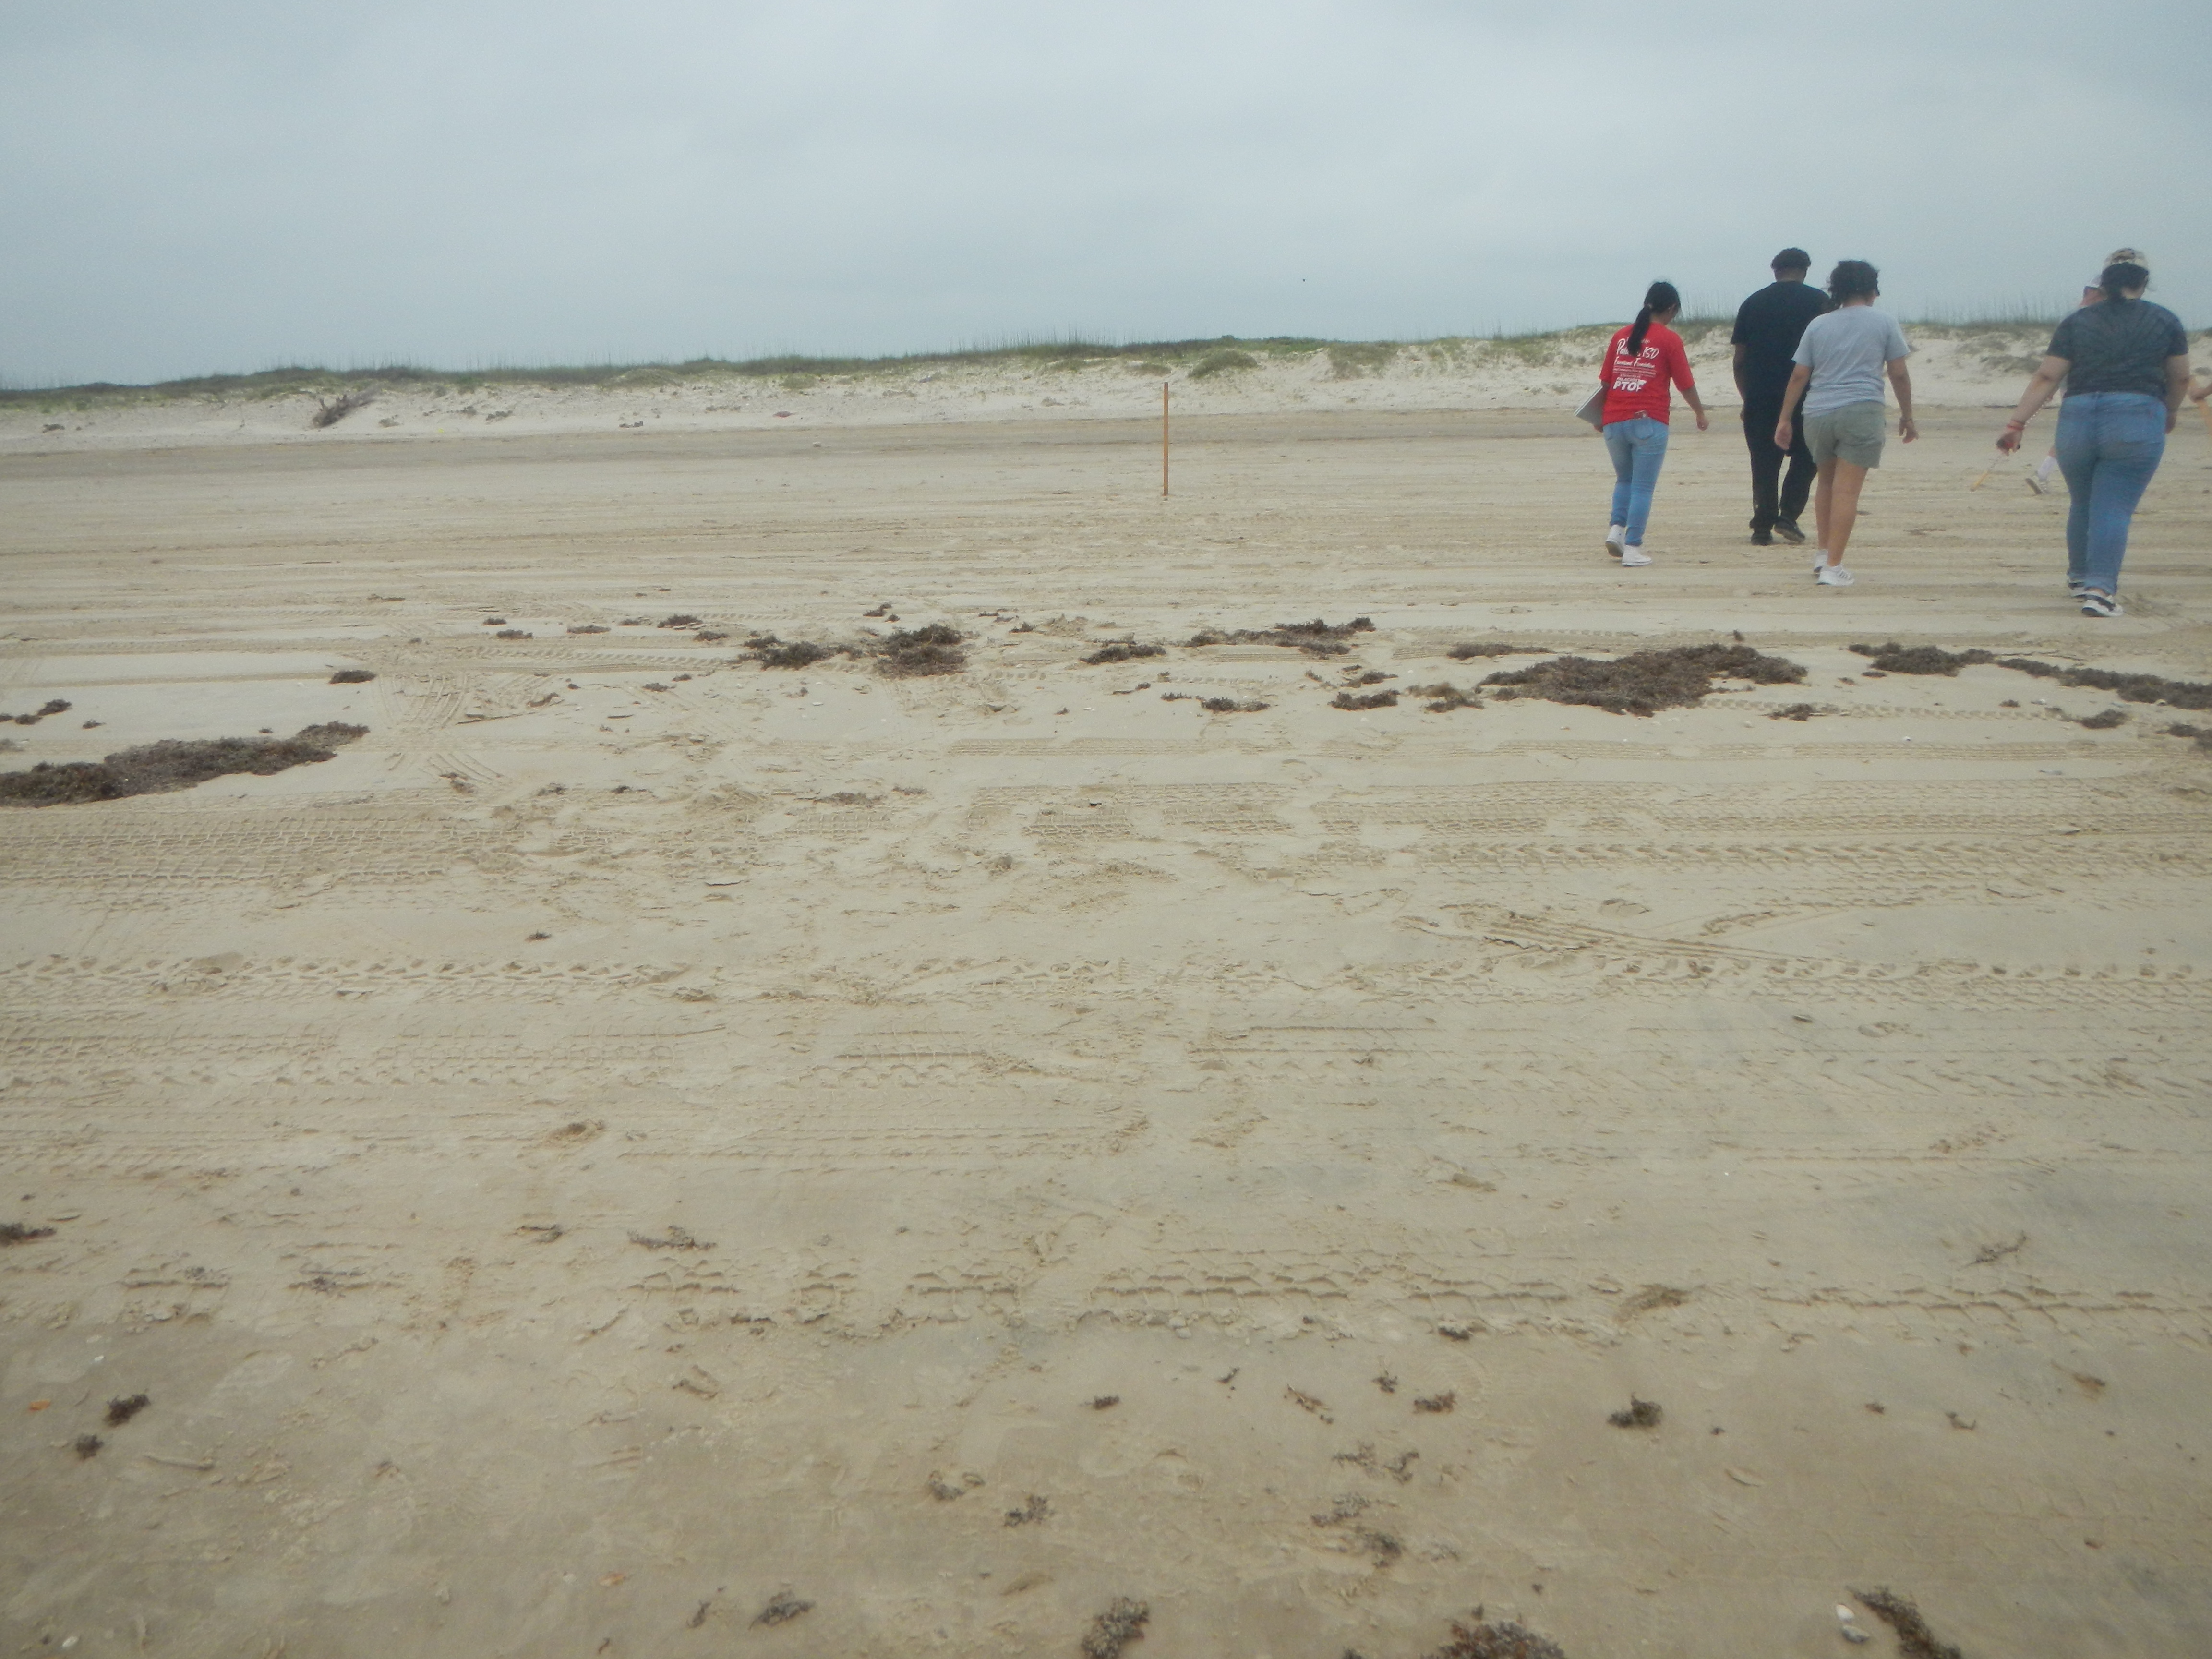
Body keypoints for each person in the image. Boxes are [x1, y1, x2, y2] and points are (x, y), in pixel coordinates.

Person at [1996, 257, 2190, 617]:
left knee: (2084, 502)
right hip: (2135, 416)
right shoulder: (2165, 319)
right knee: (2113, 506)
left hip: (2078, 417)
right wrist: (2171, 410)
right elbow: (2180, 378)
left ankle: (2080, 578)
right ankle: (2100, 592)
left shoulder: (2078, 321)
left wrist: (2017, 422)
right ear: (2144, 284)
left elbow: (2047, 377)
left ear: (2103, 284)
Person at [1773, 260, 1916, 588]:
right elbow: (1898, 373)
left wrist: (1784, 418)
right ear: (1870, 288)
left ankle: (1824, 554)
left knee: (1826, 483)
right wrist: (1907, 416)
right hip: (1860, 409)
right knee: (1847, 490)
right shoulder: (1884, 322)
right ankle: (1833, 567)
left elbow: (1799, 375)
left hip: (1818, 412)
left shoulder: (1819, 325)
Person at [1597, 280, 1708, 568]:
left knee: (1624, 480)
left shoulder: (1621, 336)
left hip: (1613, 421)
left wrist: (1601, 417)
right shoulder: (1669, 340)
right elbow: (1685, 384)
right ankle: (1633, 548)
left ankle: (1616, 531)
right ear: (1671, 309)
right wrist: (1700, 412)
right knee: (1643, 488)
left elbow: (1606, 382)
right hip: (1648, 421)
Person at [1731, 248, 1828, 545]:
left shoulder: (1753, 303)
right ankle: (1788, 515)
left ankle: (1762, 526)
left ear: (1775, 270)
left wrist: (1747, 397)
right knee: (1808, 457)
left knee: (1763, 461)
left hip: (1761, 395)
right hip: (1807, 395)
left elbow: (1739, 359)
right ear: (1806, 270)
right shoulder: (1822, 303)